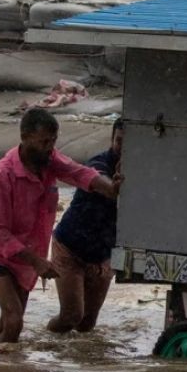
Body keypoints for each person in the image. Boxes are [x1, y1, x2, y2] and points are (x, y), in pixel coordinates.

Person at [0, 107, 121, 347]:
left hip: (27, 253)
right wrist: (36, 261)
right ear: (25, 138)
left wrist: (112, 190)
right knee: (15, 321)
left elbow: (80, 173)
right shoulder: (3, 174)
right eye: (44, 141)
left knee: (7, 321)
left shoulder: (50, 161)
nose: (49, 147)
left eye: (53, 141)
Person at [47, 118, 124, 333]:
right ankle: (44, 348)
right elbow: (100, 181)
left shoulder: (146, 173)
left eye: (129, 144)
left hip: (103, 254)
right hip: (70, 248)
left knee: (87, 324)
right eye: (119, 142)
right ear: (111, 140)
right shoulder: (98, 164)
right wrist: (115, 187)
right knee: (71, 316)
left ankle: (79, 365)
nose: (123, 148)